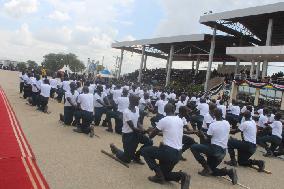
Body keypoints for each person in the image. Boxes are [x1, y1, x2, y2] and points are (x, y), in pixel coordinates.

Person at [140, 103, 190, 189]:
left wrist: (149, 131)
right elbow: (168, 132)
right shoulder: (179, 120)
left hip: (168, 152)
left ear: (164, 111)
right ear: (174, 110)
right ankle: (182, 176)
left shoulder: (164, 120)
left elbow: (151, 136)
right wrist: (156, 131)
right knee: (165, 175)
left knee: (145, 151)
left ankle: (158, 175)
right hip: (177, 154)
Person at [190, 108, 238, 185]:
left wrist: (202, 134)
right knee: (211, 171)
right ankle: (229, 172)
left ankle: (205, 167)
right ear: (222, 114)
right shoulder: (227, 123)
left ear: (214, 115)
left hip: (215, 150)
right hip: (223, 152)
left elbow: (207, 140)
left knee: (193, 147)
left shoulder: (213, 125)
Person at [110, 94, 153, 164]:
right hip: (128, 136)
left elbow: (138, 122)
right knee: (127, 159)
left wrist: (143, 129)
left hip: (136, 133)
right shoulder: (126, 112)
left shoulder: (137, 109)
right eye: (137, 100)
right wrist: (145, 131)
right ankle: (115, 149)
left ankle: (136, 156)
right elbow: (133, 127)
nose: (138, 102)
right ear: (132, 101)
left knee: (149, 142)